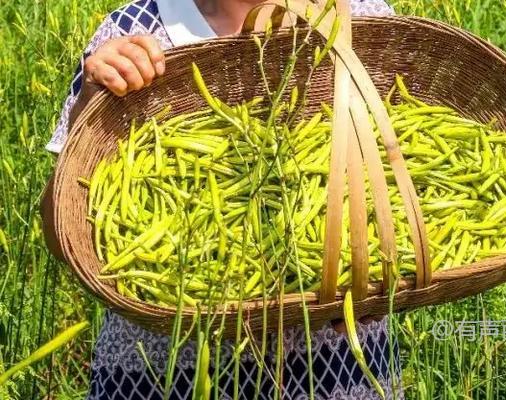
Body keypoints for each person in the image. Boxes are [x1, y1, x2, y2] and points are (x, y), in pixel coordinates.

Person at [40, 0, 404, 399]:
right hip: (160, 377)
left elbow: (404, 193)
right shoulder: (133, 33)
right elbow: (63, 234)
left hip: (336, 375)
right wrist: (88, 118)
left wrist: (386, 275)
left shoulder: (361, 17)